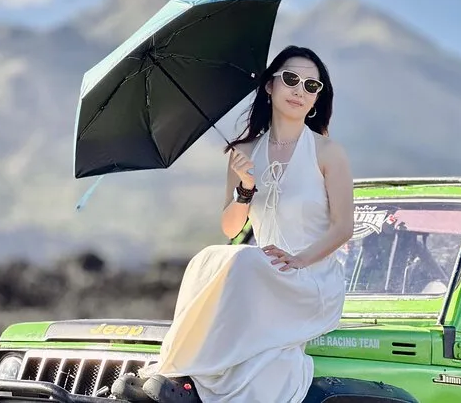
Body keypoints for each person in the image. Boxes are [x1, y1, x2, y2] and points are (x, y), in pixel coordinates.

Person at [137, 45, 355, 402]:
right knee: (207, 258)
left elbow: (343, 227)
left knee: (242, 260)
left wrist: (299, 260)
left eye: (311, 86)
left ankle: (184, 378)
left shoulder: (328, 153)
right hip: (265, 272)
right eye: (290, 79)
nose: (299, 90)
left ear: (318, 98)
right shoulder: (244, 152)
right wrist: (246, 186)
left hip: (311, 280)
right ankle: (178, 368)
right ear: (270, 86)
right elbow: (230, 228)